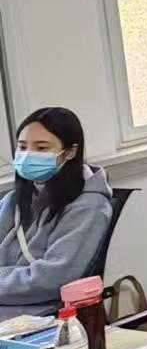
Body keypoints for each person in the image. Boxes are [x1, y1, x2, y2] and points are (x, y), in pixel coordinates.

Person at [0, 108, 114, 321]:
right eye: (22, 147)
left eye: (41, 148)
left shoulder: (89, 207)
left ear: (70, 152)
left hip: (44, 315)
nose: (28, 155)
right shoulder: (13, 200)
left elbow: (53, 279)